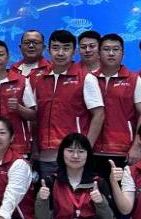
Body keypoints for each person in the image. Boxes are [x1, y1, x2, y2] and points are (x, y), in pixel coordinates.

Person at [90, 33, 141, 219]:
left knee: (126, 205)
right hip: (95, 153)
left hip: (124, 152)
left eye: (116, 49)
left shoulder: (134, 79)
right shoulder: (90, 79)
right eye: (106, 49)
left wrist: (137, 145)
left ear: (123, 53)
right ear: (99, 52)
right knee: (97, 204)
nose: (111, 53)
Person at [28, 30, 104, 180]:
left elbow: (99, 114)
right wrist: (35, 147)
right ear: (48, 50)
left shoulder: (86, 78)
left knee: (74, 194)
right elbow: (35, 117)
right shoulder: (39, 79)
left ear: (74, 51)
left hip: (74, 156)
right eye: (56, 48)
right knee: (46, 193)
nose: (60, 53)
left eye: (66, 48)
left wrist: (85, 148)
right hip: (45, 157)